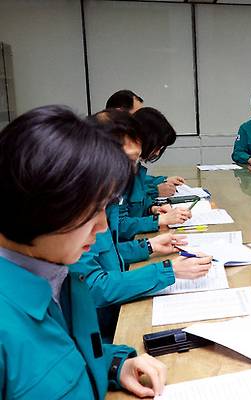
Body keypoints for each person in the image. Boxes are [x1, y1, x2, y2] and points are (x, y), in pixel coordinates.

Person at [0, 105, 167, 398]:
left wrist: (114, 364)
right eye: (92, 211)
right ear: (40, 204)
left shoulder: (59, 274)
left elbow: (59, 352)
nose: (102, 226)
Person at [76, 109, 212, 341]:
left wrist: (149, 247)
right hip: (100, 329)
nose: (130, 172)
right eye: (128, 160)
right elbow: (94, 286)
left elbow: (107, 256)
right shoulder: (75, 206)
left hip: (108, 328)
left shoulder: (101, 198)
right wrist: (168, 270)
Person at [119, 107, 190, 240]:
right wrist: (159, 220)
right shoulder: (117, 173)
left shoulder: (134, 166)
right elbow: (118, 227)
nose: (157, 153)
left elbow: (134, 207)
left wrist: (152, 210)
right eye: (157, 146)